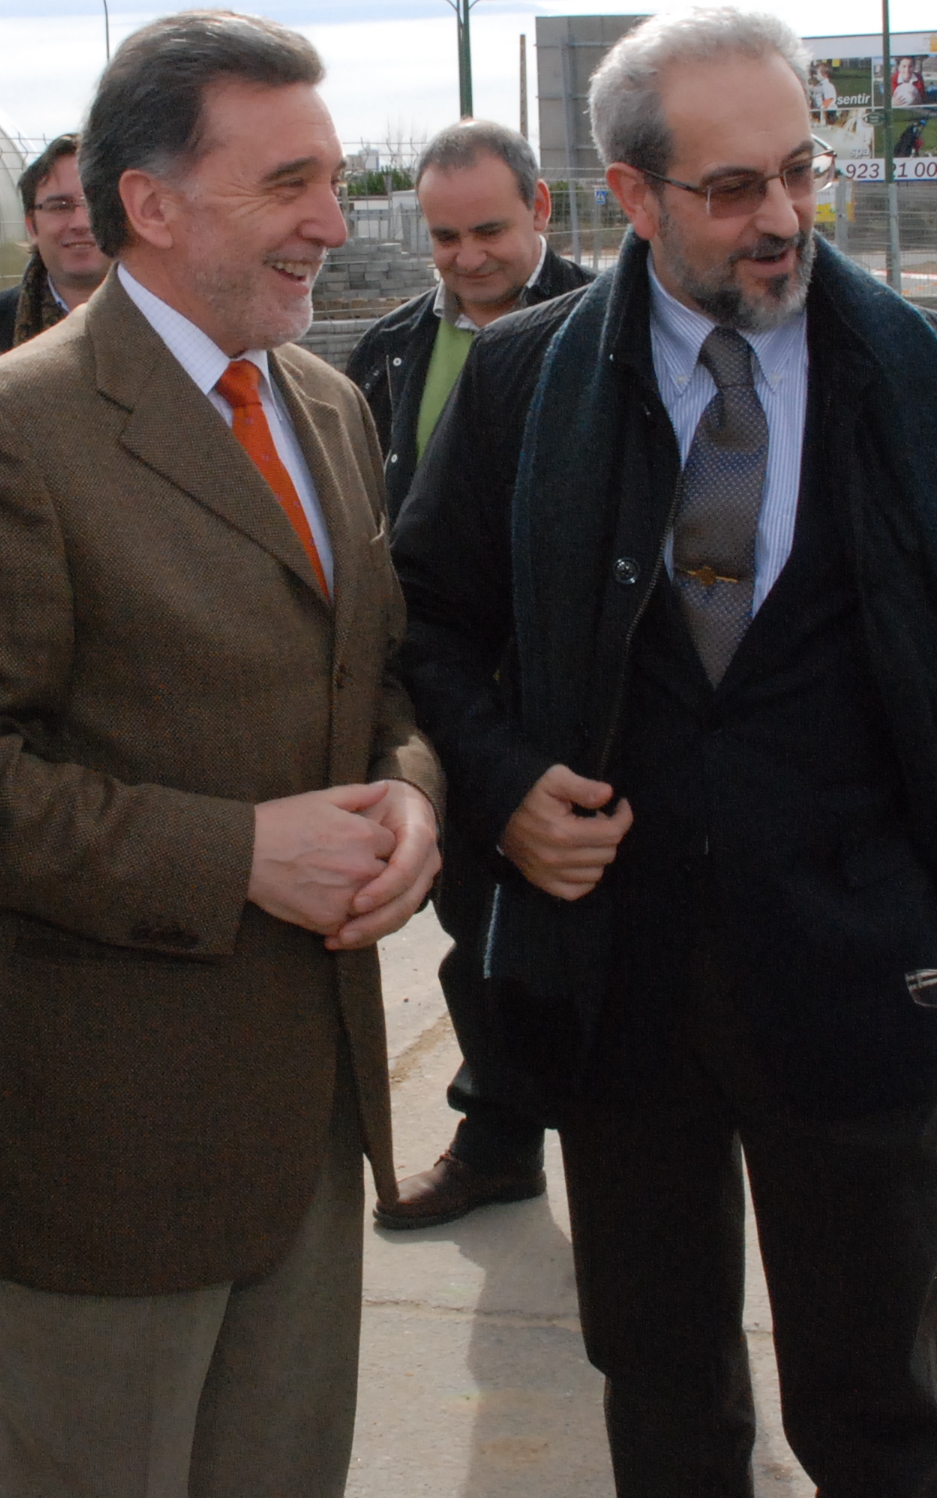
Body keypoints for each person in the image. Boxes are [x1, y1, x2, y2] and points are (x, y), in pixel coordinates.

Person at [396, 7, 937, 1496]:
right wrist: (505, 788)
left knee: (880, 1405)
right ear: (632, 196)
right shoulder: (523, 386)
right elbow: (430, 626)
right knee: (661, 1393)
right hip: (619, 986)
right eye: (730, 188)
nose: (780, 217)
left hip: (861, 976)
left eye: (799, 171)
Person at [0, 8, 442, 1498]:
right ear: (154, 206)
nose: (334, 222)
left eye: (333, 179)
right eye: (289, 183)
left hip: (304, 1125)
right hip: (102, 1150)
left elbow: (375, 677)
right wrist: (236, 855)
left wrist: (413, 799)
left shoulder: (326, 405)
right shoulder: (10, 433)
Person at [344, 119, 591, 1230]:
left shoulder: (609, 329)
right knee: (473, 930)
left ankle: (591, 1140)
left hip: (564, 697)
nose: (466, 257)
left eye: (488, 230)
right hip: (440, 687)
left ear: (541, 210)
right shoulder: (392, 349)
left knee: (564, 939)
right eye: (444, 238)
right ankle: (498, 1140)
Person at [0, 132, 104, 351]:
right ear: (31, 226)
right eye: (60, 207)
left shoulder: (165, 313)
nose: (80, 223)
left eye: (94, 203)